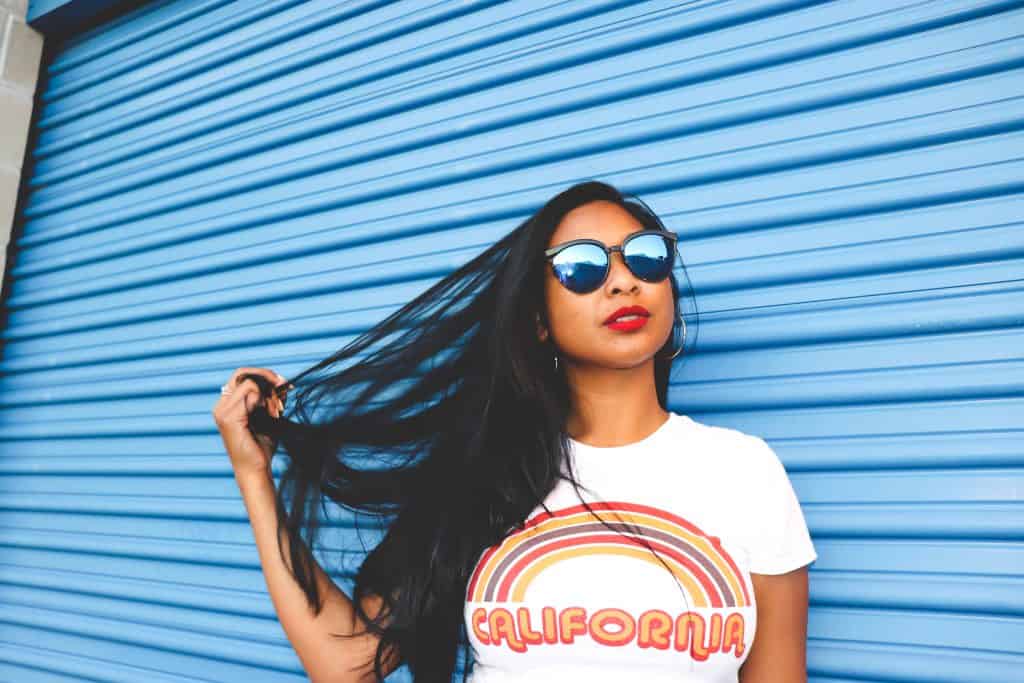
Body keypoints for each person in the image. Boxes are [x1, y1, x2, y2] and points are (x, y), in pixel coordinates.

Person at [212, 180, 816, 683]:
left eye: (645, 255)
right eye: (581, 267)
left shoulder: (744, 471)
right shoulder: (488, 473)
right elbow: (350, 665)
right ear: (539, 322)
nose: (623, 280)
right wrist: (253, 476)